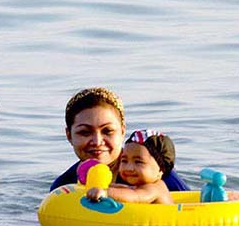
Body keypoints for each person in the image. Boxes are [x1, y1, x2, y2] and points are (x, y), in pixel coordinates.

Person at [50, 87, 189, 191]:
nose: (98, 142)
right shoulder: (64, 186)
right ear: (69, 135)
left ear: (122, 132)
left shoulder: (155, 174)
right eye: (85, 132)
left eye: (107, 131)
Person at [87, 130, 175, 204]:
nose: (129, 168)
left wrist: (106, 192)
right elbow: (129, 189)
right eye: (124, 161)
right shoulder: (141, 186)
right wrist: (105, 186)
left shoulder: (155, 188)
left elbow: (135, 196)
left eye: (138, 162)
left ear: (161, 169)